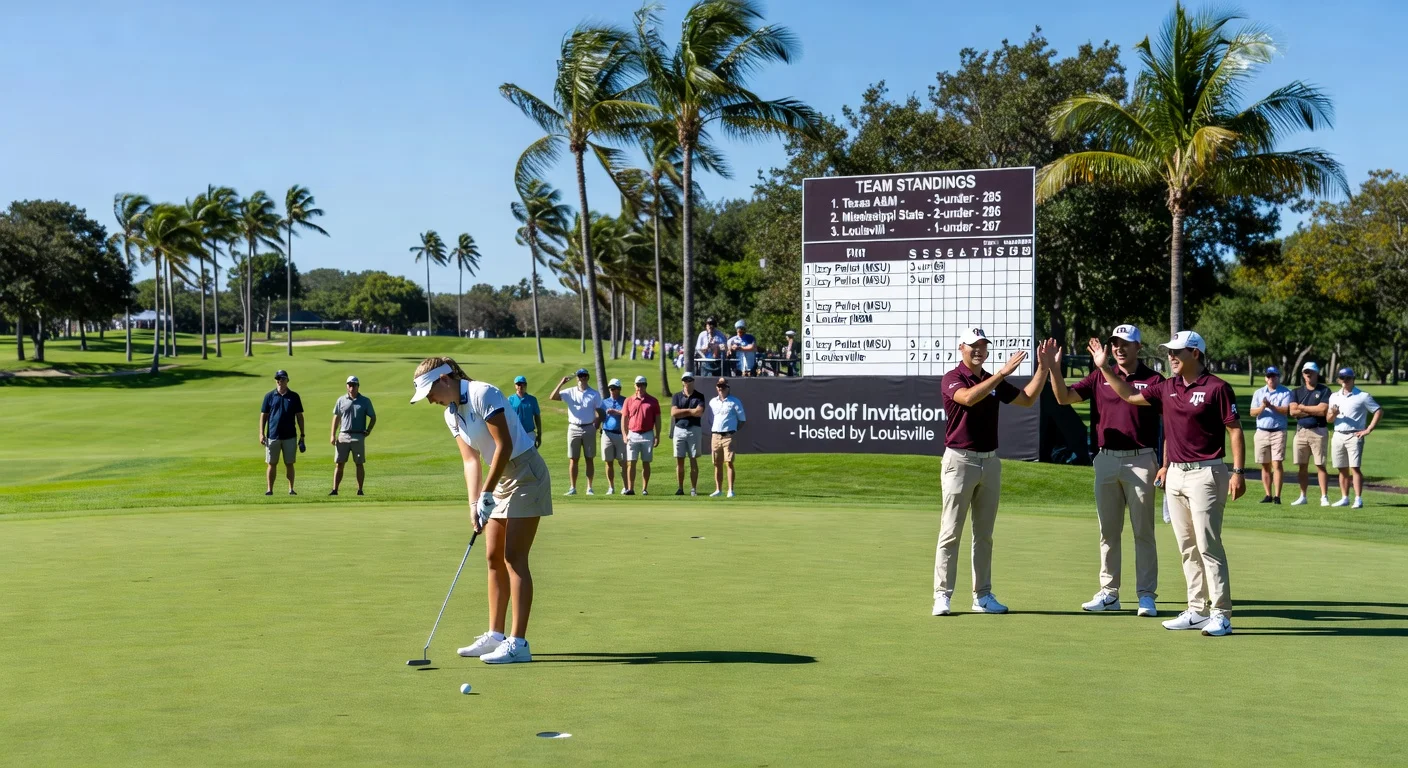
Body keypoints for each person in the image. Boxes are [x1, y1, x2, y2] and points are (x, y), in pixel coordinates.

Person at [1089, 330, 1246, 637]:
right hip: (1175, 474)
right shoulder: (1166, 386)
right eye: (1169, 352)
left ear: (1195, 354)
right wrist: (1104, 367)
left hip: (1207, 473)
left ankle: (1222, 614)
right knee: (1187, 547)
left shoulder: (1217, 388)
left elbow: (1235, 430)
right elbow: (1128, 395)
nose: (1171, 357)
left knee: (1207, 545)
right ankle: (1197, 610)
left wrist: (1238, 472)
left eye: (1178, 352)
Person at [411, 356, 550, 665]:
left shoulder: (481, 394)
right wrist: (474, 503)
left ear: (444, 379)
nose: (430, 400)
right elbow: (471, 460)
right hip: (497, 478)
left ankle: (518, 643)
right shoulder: (451, 414)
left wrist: (487, 491)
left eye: (430, 393)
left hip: (526, 474)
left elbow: (505, 446)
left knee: (514, 557)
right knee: (492, 556)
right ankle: (495, 635)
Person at [933, 329, 1053, 617]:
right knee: (951, 532)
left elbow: (1026, 399)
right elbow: (967, 398)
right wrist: (1001, 374)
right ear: (961, 347)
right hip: (959, 461)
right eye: (973, 345)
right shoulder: (953, 377)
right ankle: (942, 595)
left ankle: (982, 595)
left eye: (983, 345)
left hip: (990, 462)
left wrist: (1044, 368)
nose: (978, 350)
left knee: (984, 534)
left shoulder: (993, 380)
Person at [1046, 324, 1162, 617]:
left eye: (1125, 343)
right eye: (1114, 344)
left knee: (1143, 532)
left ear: (1139, 347)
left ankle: (1146, 595)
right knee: (1108, 531)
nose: (1119, 349)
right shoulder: (1098, 376)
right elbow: (1064, 398)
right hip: (1106, 459)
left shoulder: (1153, 380)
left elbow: (1135, 400)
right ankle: (1110, 593)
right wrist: (1054, 371)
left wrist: (1166, 463)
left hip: (1141, 459)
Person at [1327, 367, 1383, 509]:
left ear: (1353, 379)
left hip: (1354, 435)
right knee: (1342, 468)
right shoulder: (1334, 396)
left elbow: (1378, 411)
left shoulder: (1363, 396)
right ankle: (1344, 497)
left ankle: (1358, 498)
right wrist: (1333, 413)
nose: (1345, 381)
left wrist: (1368, 429)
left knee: (1355, 468)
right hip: (1338, 434)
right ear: (1339, 379)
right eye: (1342, 378)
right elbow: (1329, 419)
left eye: (1348, 378)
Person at [549, 368, 603, 496]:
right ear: (577, 378)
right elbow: (553, 397)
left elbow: (600, 411)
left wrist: (596, 425)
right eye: (580, 376)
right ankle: (573, 487)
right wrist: (561, 383)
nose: (582, 378)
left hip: (589, 427)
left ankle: (589, 488)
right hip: (573, 428)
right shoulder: (570, 392)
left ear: (587, 377)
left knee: (589, 458)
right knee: (573, 459)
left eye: (584, 376)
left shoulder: (594, 394)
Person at [1289, 362, 1332, 506]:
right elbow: (1293, 411)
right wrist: (1309, 409)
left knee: (1320, 465)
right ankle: (1303, 496)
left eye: (1311, 372)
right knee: (1302, 466)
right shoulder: (1296, 392)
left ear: (1316, 373)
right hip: (1301, 432)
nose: (1308, 374)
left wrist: (1302, 408)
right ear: (1303, 374)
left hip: (1318, 430)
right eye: (1306, 372)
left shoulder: (1324, 390)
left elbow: (1322, 410)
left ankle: (1324, 497)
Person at [259, 369, 305, 496]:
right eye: (278, 379)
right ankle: (270, 489)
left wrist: (302, 435)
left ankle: (291, 489)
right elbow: (264, 416)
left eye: (282, 379)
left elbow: (299, 417)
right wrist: (261, 433)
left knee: (289, 463)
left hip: (290, 436)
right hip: (273, 435)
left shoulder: (294, 396)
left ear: (287, 380)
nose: (280, 381)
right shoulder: (269, 396)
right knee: (271, 463)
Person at [1249, 366, 1291, 504]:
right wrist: (1262, 407)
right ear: (1265, 378)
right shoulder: (1259, 392)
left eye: (1274, 376)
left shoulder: (1285, 392)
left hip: (1278, 431)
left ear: (1278, 377)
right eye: (1269, 376)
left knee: (1277, 463)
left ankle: (1277, 496)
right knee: (1265, 465)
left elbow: (1286, 410)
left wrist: (1270, 406)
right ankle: (1268, 495)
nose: (1271, 378)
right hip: (1262, 431)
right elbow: (1252, 412)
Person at [329, 375, 376, 496]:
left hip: (358, 436)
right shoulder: (341, 400)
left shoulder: (365, 401)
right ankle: (335, 490)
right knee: (339, 463)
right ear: (346, 386)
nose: (352, 387)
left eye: (354, 385)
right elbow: (336, 417)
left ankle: (360, 490)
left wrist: (368, 430)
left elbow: (373, 417)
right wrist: (333, 435)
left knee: (359, 463)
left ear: (358, 386)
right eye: (349, 385)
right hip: (343, 435)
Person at [622, 375, 662, 495]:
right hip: (632, 434)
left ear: (646, 386)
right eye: (638, 385)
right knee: (631, 462)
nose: (640, 387)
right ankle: (631, 488)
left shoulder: (653, 401)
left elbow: (657, 420)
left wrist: (657, 435)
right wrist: (624, 434)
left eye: (642, 385)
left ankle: (644, 488)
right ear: (635, 386)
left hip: (647, 434)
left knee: (646, 462)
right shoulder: (628, 400)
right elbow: (624, 419)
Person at [708, 378, 747, 497]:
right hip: (715, 435)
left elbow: (742, 420)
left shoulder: (734, 402)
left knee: (728, 462)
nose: (720, 388)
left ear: (728, 387)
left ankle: (730, 490)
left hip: (728, 436)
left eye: (723, 386)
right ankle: (718, 490)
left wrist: (733, 431)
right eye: (718, 386)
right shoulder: (712, 402)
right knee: (716, 463)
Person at [671, 372, 707, 495]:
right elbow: (674, 413)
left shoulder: (699, 396)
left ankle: (693, 489)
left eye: (689, 379)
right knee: (679, 461)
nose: (687, 382)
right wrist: (691, 411)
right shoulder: (676, 396)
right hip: (679, 430)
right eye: (685, 380)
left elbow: (699, 412)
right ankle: (680, 488)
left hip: (694, 429)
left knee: (693, 459)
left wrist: (682, 412)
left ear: (693, 381)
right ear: (682, 381)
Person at [600, 379, 627, 494]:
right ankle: (611, 487)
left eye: (614, 388)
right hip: (607, 433)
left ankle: (626, 487)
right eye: (611, 388)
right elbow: (600, 417)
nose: (612, 390)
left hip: (621, 434)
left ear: (619, 389)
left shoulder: (625, 401)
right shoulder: (604, 402)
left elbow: (629, 414)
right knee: (608, 461)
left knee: (623, 462)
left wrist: (617, 412)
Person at [508, 375, 543, 450]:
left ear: (526, 385)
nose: (520, 386)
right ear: (515, 386)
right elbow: (507, 417)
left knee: (531, 457)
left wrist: (539, 434)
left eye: (522, 384)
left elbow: (537, 416)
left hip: (529, 433)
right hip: (515, 433)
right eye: (518, 384)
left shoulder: (532, 399)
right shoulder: (510, 399)